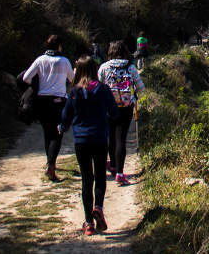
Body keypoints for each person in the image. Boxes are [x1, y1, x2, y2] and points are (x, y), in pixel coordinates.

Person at [59, 55, 118, 236]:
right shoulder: (103, 89)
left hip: (81, 141)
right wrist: (108, 122)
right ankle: (98, 207)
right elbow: (114, 112)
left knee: (87, 179)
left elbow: (66, 116)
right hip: (100, 138)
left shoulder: (75, 92)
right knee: (100, 176)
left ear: (79, 71)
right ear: (94, 70)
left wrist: (62, 126)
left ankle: (88, 223)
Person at [21, 34, 74, 181]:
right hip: (58, 100)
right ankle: (51, 165)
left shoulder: (40, 59)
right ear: (59, 46)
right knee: (57, 133)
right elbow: (72, 79)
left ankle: (50, 162)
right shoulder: (64, 61)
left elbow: (26, 77)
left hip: (42, 101)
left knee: (47, 132)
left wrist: (37, 84)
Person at [98, 41, 145, 186]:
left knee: (110, 136)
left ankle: (112, 165)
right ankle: (119, 172)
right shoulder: (130, 67)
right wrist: (134, 95)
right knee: (121, 138)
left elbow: (97, 86)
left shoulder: (104, 67)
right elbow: (141, 88)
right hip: (125, 107)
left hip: (108, 106)